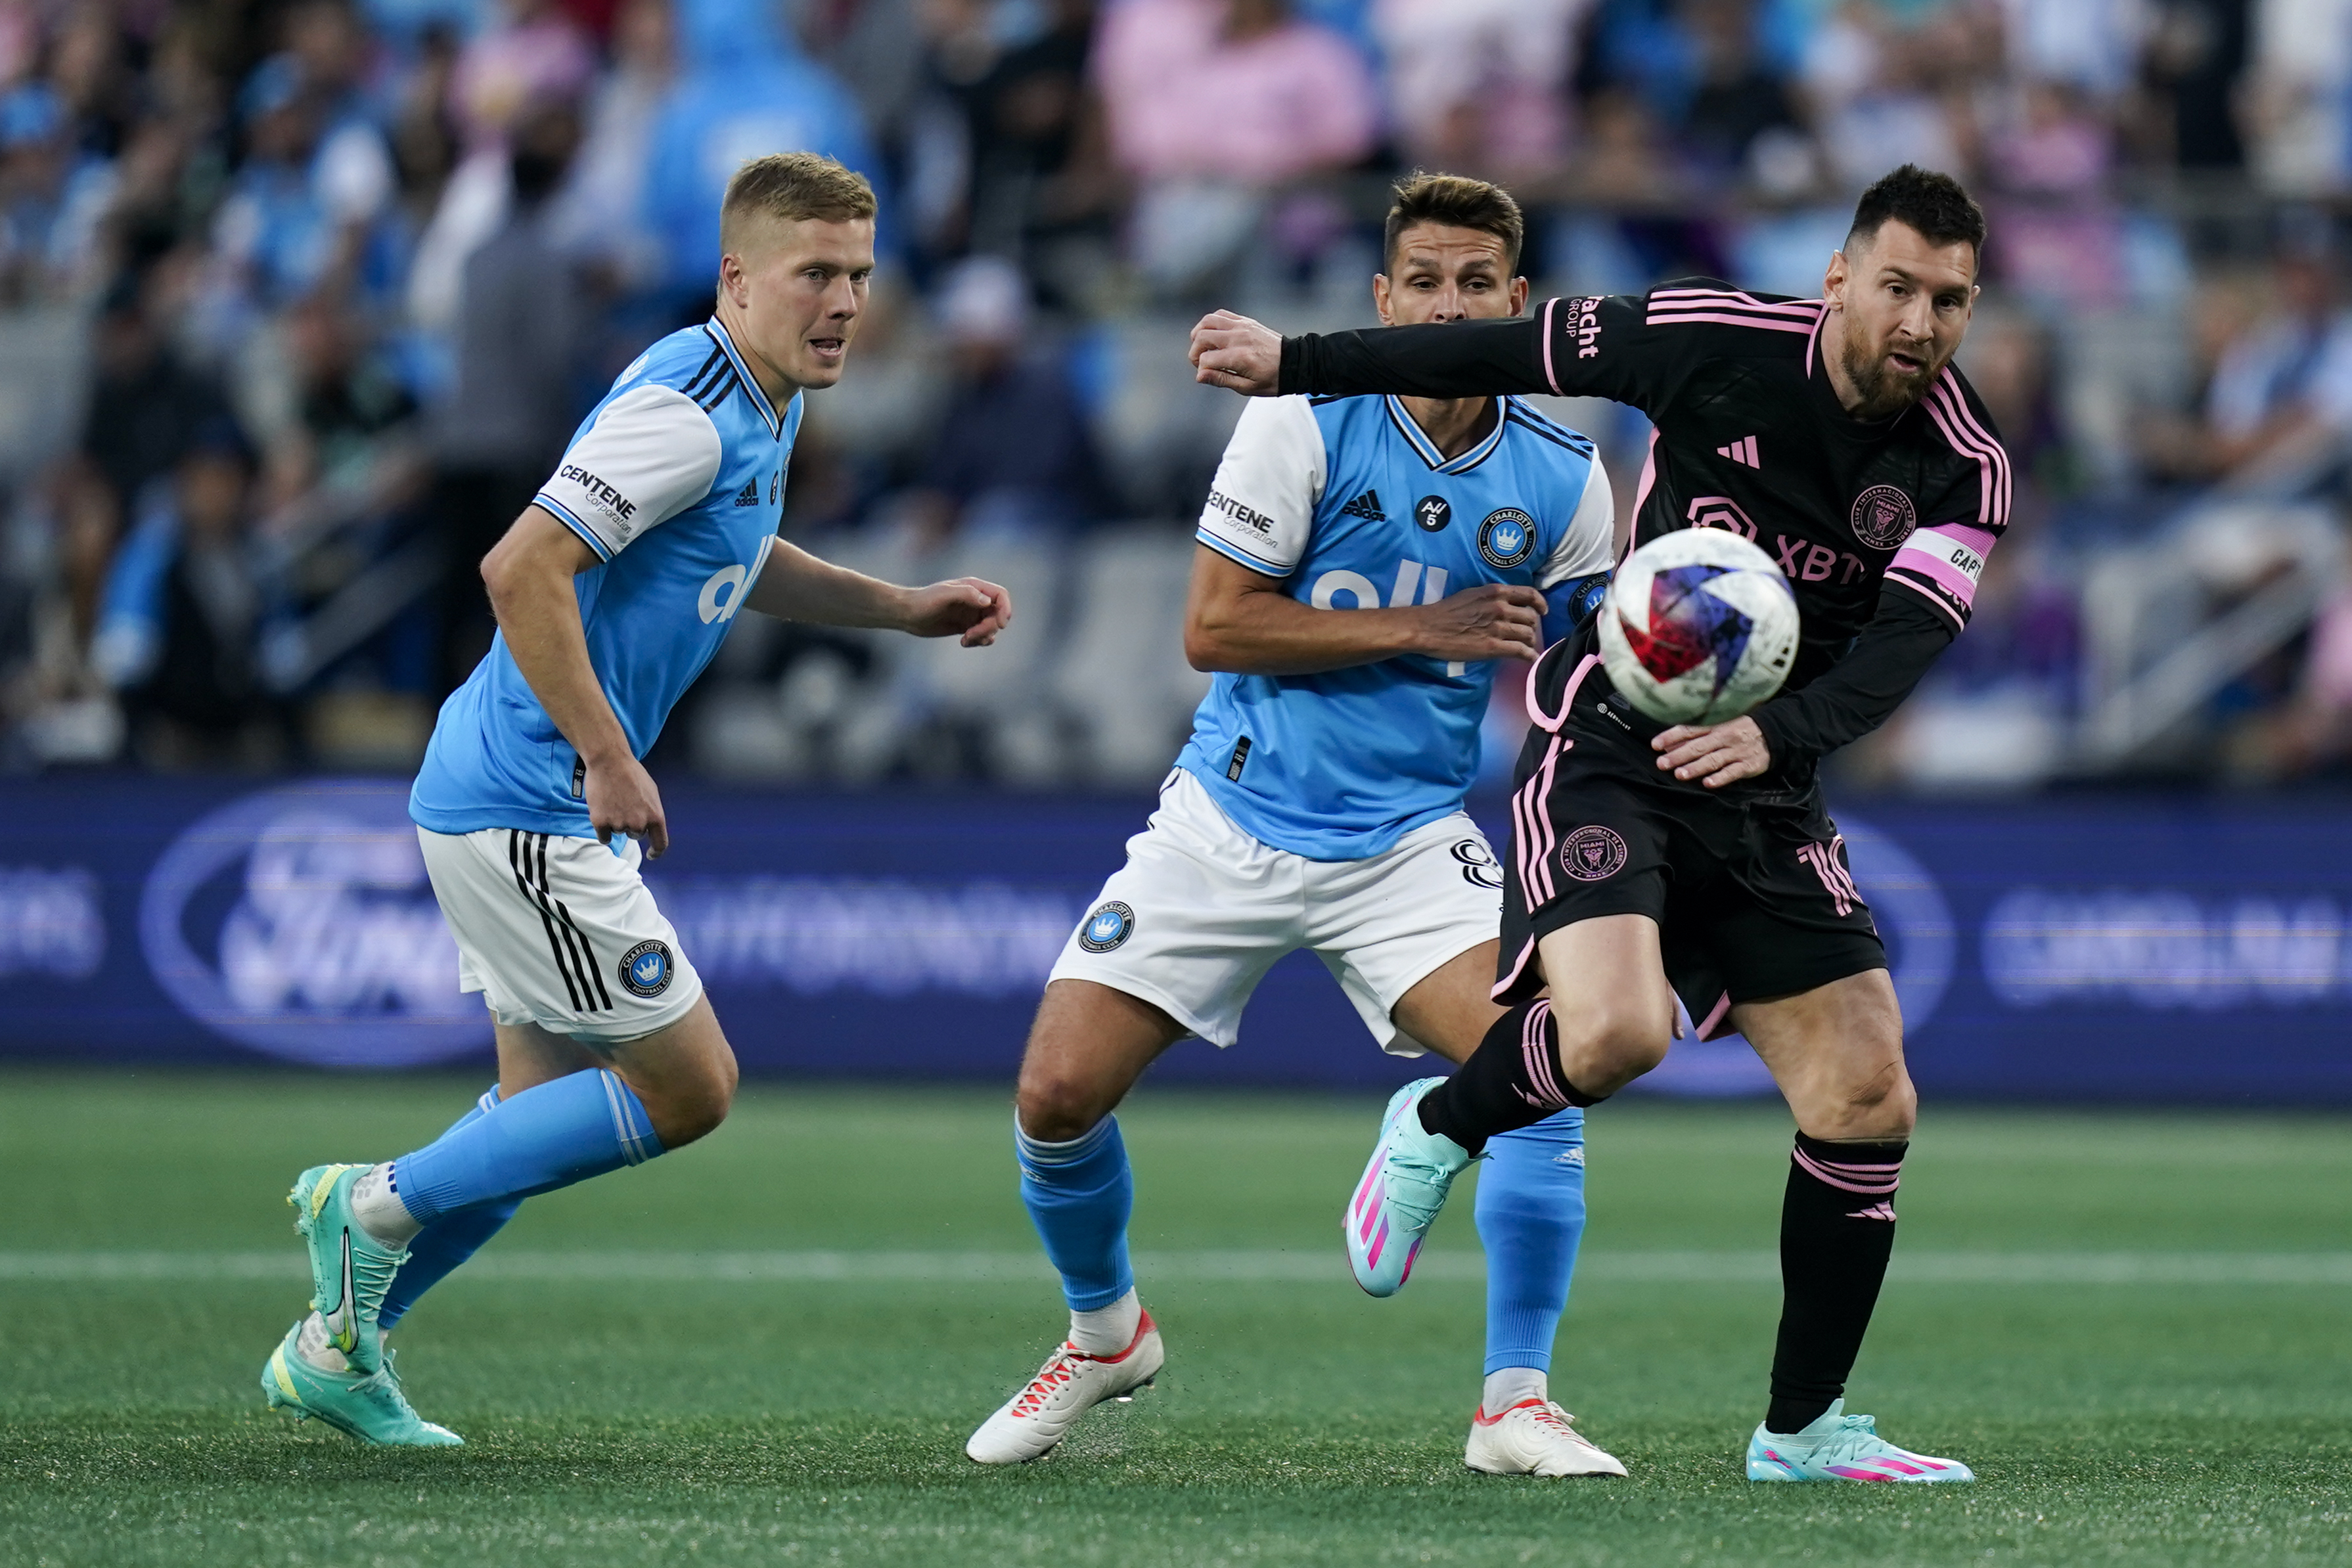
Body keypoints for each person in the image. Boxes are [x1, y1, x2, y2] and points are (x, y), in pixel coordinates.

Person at [1189, 163, 2004, 1484]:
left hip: (1764, 779)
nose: (1918, 324)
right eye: (1898, 287)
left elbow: (1898, 652)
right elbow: (1496, 341)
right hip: (1613, 743)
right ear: (1840, 278)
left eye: (1950, 301)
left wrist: (1776, 737)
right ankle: (1434, 1128)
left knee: (1866, 1094)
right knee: (1614, 1035)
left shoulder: (1962, 467)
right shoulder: (1708, 340)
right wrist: (1294, 363)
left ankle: (1799, 1434)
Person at [257, 152, 1013, 1446]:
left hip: (508, 792)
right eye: (813, 275)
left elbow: (727, 548)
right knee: (690, 1087)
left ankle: (339, 1346)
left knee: (533, 1120)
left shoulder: (755, 398)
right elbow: (519, 569)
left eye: (859, 277)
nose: (841, 302)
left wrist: (896, 607)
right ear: (736, 278)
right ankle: (368, 1203)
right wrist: (608, 754)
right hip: (527, 801)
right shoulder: (690, 407)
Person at [966, 173, 1623, 1476]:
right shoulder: (1303, 422)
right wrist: (1422, 628)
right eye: (1421, 284)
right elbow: (1211, 628)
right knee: (1052, 1093)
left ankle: (1514, 1404)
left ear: (1517, 301)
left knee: (1544, 1073)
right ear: (1381, 301)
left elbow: (1592, 675)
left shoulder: (1564, 477)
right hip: (1230, 815)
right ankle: (1105, 1336)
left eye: (1473, 284)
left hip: (1404, 842)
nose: (1447, 305)